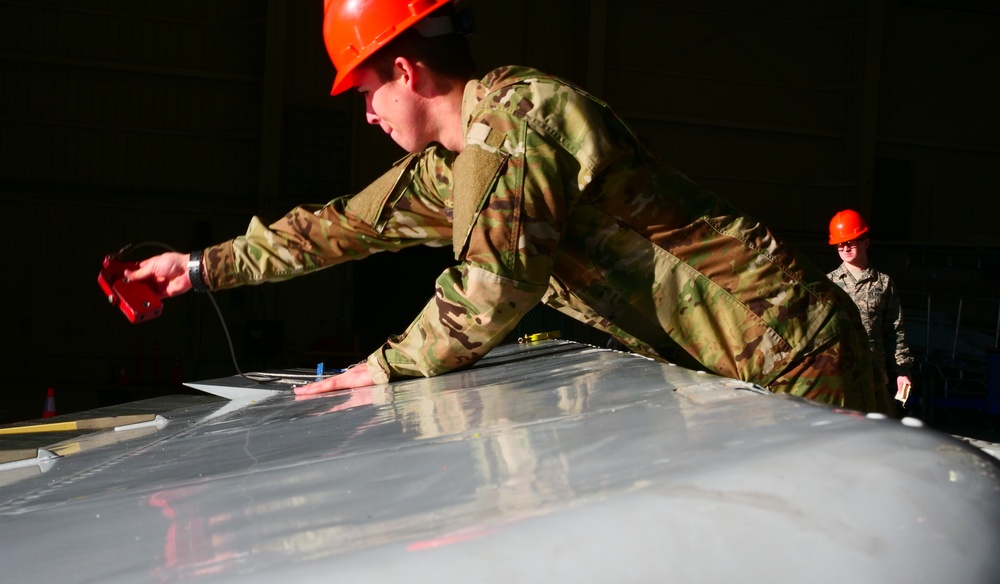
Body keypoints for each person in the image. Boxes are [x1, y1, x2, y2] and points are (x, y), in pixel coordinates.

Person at [127, 0, 889, 413]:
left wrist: (383, 367)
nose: (365, 115)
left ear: (403, 69)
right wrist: (197, 268)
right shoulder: (455, 166)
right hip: (744, 355)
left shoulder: (516, 120)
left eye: (364, 93)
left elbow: (495, 285)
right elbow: (337, 229)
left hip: (787, 343)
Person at [826, 209, 913, 410]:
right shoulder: (828, 284)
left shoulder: (883, 284)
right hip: (840, 374)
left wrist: (901, 371)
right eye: (840, 244)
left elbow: (895, 331)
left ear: (865, 242)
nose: (845, 247)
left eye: (850, 241)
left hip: (874, 375)